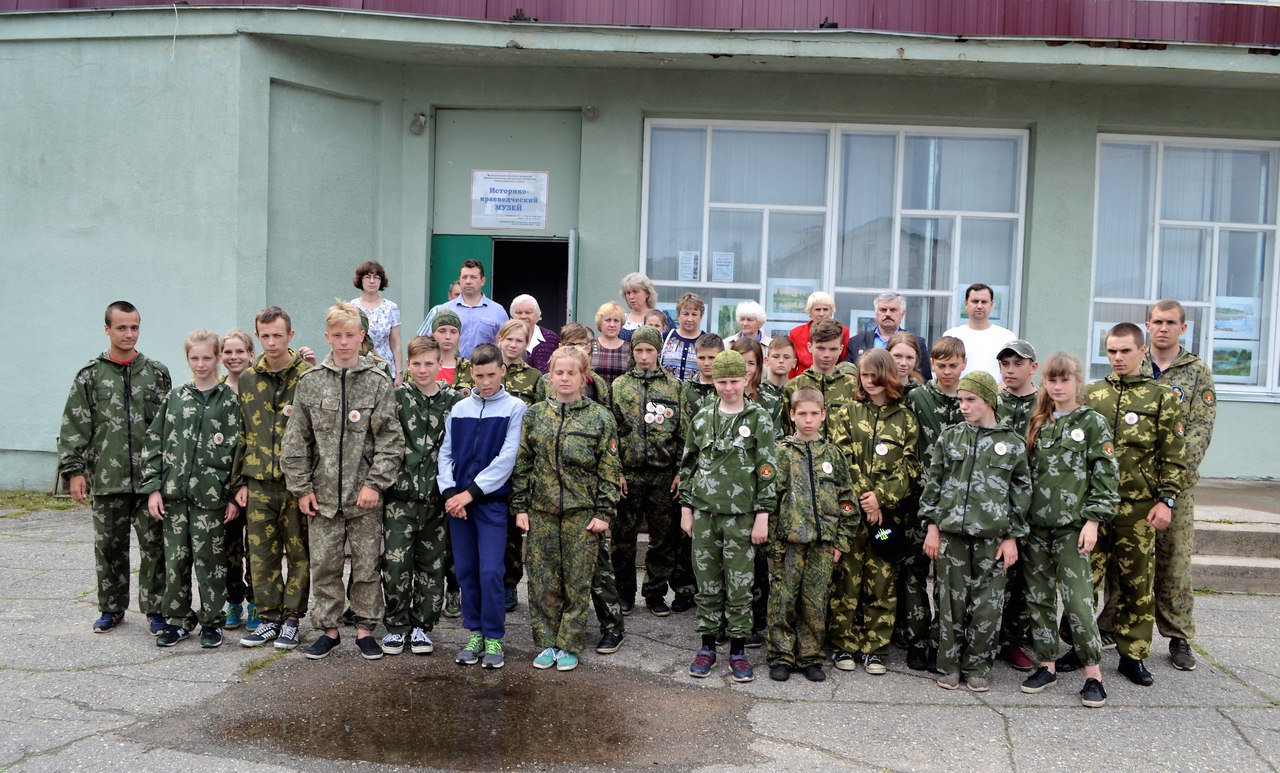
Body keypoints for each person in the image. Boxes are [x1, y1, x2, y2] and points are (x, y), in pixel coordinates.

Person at [1058, 322, 1187, 687]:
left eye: (1125, 350)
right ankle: (1079, 647)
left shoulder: (1161, 397)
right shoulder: (1092, 394)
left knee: (1137, 584)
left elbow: (1174, 456)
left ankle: (1133, 655)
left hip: (1138, 508)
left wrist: (1166, 500)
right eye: (1112, 351)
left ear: (1142, 350)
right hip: (1092, 509)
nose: (1117, 357)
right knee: (1083, 580)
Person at [282, 301, 405, 661]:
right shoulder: (311, 382)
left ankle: (365, 629)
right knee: (325, 566)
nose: (344, 342)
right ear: (327, 337)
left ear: (361, 336)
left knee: (367, 566)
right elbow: (296, 441)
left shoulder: (377, 382)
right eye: (337, 335)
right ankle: (329, 630)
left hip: (364, 496)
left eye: (350, 335)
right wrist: (302, 488)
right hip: (322, 496)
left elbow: (390, 440)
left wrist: (375, 484)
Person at [58, 300, 172, 635]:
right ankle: (111, 608)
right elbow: (75, 424)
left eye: (134, 327)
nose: (129, 334)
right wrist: (74, 471)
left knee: (155, 547)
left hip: (149, 481)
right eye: (121, 327)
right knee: (108, 547)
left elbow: (169, 427)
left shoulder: (156, 373)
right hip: (108, 478)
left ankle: (156, 609)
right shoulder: (90, 376)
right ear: (107, 329)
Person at [921, 371, 1031, 692]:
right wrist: (932, 527)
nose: (964, 406)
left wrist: (1012, 537)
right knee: (949, 603)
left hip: (993, 539)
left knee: (988, 605)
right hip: (952, 535)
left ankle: (978, 666)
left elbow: (1021, 493)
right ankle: (948, 665)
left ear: (989, 401)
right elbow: (934, 483)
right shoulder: (951, 437)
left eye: (971, 400)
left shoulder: (1011, 443)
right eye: (961, 400)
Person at [513, 347, 622, 672]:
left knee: (577, 581)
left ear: (583, 376)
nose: (564, 378)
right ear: (550, 375)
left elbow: (609, 469)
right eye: (558, 372)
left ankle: (569, 644)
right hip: (542, 511)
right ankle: (547, 642)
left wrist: (604, 512)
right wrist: (520, 506)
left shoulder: (599, 418)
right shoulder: (535, 415)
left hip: (582, 513)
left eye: (571, 373)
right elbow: (523, 462)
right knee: (542, 580)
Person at [1019, 353, 1118, 708]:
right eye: (1052, 380)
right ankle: (1046, 665)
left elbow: (1105, 475)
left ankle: (1093, 675)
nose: (1058, 387)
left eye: (1065, 380)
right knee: (1039, 598)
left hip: (1072, 528)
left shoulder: (1092, 422)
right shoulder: (1038, 422)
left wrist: (1093, 521)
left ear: (1078, 381)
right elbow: (1025, 475)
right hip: (1036, 528)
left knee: (1078, 600)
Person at [679, 349, 778, 683]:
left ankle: (738, 650)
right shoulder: (703, 417)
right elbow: (689, 465)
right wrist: (686, 510)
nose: (728, 387)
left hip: (742, 517)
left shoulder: (758, 418)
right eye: (722, 382)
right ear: (714, 382)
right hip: (705, 515)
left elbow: (767, 469)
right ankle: (707, 646)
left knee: (740, 586)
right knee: (707, 584)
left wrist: (763, 515)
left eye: (734, 380)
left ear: (746, 379)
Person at [140, 330, 240, 648]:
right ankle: (178, 620)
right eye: (194, 358)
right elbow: (154, 440)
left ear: (218, 357)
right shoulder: (176, 398)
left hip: (211, 497)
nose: (200, 364)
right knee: (175, 562)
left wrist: (233, 495)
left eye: (207, 357)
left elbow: (239, 451)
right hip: (174, 496)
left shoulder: (229, 401)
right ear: (188, 359)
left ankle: (212, 621)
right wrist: (153, 488)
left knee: (210, 562)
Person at [830, 349, 921, 675]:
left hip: (887, 515)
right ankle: (843, 643)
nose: (868, 381)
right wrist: (864, 499)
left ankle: (876, 647)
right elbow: (840, 457)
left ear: (887, 376)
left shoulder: (905, 418)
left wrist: (880, 499)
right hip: (852, 515)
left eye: (874, 375)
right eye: (864, 375)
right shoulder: (848, 412)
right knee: (846, 581)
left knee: (882, 582)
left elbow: (910, 466)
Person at [437, 343, 527, 669]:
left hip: (490, 504)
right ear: (471, 374)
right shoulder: (459, 409)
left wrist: (470, 493)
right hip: (458, 506)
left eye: (491, 374)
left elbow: (507, 458)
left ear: (502, 370)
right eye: (479, 376)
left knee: (490, 571)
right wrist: (451, 493)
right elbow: (446, 453)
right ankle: (474, 632)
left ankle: (494, 637)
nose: (485, 382)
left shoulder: (515, 408)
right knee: (466, 570)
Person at [232, 307, 313, 650]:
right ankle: (268, 619)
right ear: (257, 337)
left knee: (298, 553)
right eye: (265, 336)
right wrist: (239, 482)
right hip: (259, 482)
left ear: (290, 335)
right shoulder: (248, 378)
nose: (271, 342)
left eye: (278, 335)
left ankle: (291, 620)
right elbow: (242, 433)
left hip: (296, 483)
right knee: (261, 554)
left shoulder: (307, 375)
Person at [766, 387, 856, 683]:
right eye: (802, 414)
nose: (808, 420)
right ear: (792, 415)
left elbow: (847, 500)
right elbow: (770, 501)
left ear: (823, 415)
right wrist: (774, 543)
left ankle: (810, 656)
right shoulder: (781, 453)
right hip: (788, 543)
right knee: (783, 600)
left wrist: (841, 540)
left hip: (822, 544)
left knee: (815, 602)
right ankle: (781, 655)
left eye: (814, 414)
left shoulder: (833, 454)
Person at [381, 335, 463, 657]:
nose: (423, 369)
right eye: (416, 363)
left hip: (436, 500)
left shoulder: (454, 401)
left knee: (432, 567)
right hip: (400, 499)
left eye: (429, 363)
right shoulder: (397, 397)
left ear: (440, 363)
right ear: (408, 365)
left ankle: (421, 626)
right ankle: (397, 625)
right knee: (395, 564)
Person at [1145, 299, 1215, 672]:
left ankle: (1178, 636)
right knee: (1129, 560)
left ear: (1182, 328)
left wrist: (1172, 479)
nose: (1163, 328)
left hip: (1178, 487)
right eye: (1157, 321)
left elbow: (1201, 429)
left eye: (1170, 322)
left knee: (1174, 561)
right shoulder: (1135, 364)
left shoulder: (1197, 371)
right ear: (1147, 325)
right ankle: (1115, 626)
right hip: (1135, 483)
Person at [899, 335, 967, 671]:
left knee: (947, 578)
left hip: (957, 504)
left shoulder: (971, 400)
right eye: (941, 365)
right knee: (913, 571)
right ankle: (916, 640)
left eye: (953, 365)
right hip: (919, 501)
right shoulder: (918, 397)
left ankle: (942, 642)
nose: (947, 371)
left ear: (964, 364)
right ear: (932, 365)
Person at [610, 326, 685, 618]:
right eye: (639, 350)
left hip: (662, 475)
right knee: (622, 539)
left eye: (649, 351)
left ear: (658, 351)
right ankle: (624, 593)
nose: (644, 356)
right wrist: (616, 471)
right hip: (629, 474)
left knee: (663, 539)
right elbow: (612, 433)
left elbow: (682, 433)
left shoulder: (673, 386)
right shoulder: (620, 386)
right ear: (632, 352)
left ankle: (655, 593)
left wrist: (679, 470)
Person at [995, 339, 1040, 672]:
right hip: (996, 501)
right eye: (1005, 364)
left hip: (1036, 503)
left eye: (1018, 364)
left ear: (1033, 367)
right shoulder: (994, 401)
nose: (1010, 370)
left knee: (1027, 575)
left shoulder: (1045, 404)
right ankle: (989, 635)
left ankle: (1015, 639)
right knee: (997, 573)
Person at [495, 318, 541, 612]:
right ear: (499, 339)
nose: (513, 345)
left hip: (518, 460)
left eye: (519, 340)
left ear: (526, 344)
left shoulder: (535, 377)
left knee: (513, 529)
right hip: (487, 457)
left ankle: (509, 583)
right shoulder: (487, 368)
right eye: (508, 339)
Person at [218, 329, 258, 631]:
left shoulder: (258, 388)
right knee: (229, 548)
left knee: (257, 548)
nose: (234, 357)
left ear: (251, 354)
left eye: (240, 351)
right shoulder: (217, 392)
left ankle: (256, 602)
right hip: (224, 483)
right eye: (228, 352)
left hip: (255, 480)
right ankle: (233, 600)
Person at [780, 319, 855, 451]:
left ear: (841, 349)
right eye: (820, 348)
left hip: (842, 459)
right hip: (803, 459)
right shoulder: (793, 387)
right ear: (809, 347)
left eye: (833, 349)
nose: (826, 355)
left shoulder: (853, 388)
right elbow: (786, 432)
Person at [846, 292, 932, 380]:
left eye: (893, 310)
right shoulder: (856, 342)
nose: (887, 314)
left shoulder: (918, 343)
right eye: (883, 310)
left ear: (902, 314)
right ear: (876, 313)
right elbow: (848, 373)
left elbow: (925, 378)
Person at [433, 260, 509, 358]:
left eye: (473, 277)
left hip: (485, 366)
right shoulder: (445, 310)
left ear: (483, 281)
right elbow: (431, 341)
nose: (468, 281)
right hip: (452, 365)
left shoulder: (498, 311)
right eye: (464, 277)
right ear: (460, 280)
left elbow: (506, 343)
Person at [942, 283, 1016, 379]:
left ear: (992, 304)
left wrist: (997, 388)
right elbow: (944, 369)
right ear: (966, 304)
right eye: (975, 301)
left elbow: (1013, 371)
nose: (979, 306)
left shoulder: (1007, 337)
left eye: (984, 302)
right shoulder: (951, 335)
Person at [350, 260, 405, 385]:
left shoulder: (391, 308)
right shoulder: (351, 307)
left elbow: (396, 343)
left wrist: (399, 373)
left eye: (376, 277)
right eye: (367, 277)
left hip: (385, 369)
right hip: (358, 368)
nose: (372, 281)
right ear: (360, 280)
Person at [787, 292, 849, 378]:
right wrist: (791, 384)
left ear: (831, 312)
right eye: (817, 309)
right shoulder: (796, 333)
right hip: (803, 381)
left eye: (825, 309)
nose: (821, 314)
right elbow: (791, 364)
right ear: (810, 312)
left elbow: (843, 362)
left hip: (831, 379)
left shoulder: (843, 332)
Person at [661, 293, 707, 382]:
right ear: (678, 315)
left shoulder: (706, 341)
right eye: (685, 314)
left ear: (700, 317)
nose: (689, 319)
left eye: (694, 314)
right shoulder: (665, 337)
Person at [510, 294, 559, 373]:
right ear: (512, 316)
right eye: (519, 312)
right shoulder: (504, 337)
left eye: (528, 312)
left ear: (538, 315)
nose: (523, 316)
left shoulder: (551, 338)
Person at [619, 272, 672, 341]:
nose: (631, 297)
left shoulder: (662, 316)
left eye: (635, 292)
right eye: (628, 293)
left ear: (647, 293)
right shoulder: (620, 319)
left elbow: (675, 340)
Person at [590, 301, 633, 385]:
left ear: (621, 325)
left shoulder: (629, 348)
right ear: (600, 323)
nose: (612, 325)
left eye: (616, 321)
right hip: (595, 393)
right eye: (608, 320)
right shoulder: (590, 346)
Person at [430, 310, 471, 389]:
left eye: (453, 332)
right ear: (433, 334)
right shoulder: (421, 366)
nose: (448, 336)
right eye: (442, 331)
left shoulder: (468, 368)